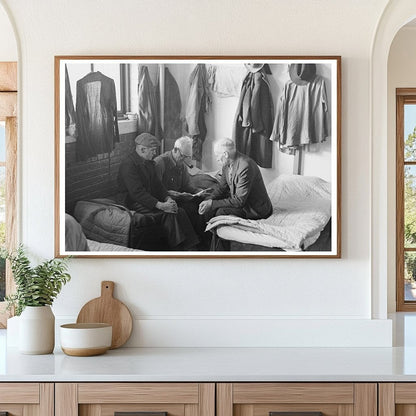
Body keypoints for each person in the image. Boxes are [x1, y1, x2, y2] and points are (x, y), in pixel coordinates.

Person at [118, 132, 199, 250]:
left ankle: (192, 246)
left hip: (149, 198)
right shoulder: (129, 165)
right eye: (153, 150)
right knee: (169, 214)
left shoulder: (148, 162)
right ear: (142, 149)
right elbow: (137, 193)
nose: (155, 153)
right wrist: (160, 205)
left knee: (179, 210)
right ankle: (179, 250)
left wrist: (168, 199)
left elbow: (158, 185)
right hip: (134, 201)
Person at [154, 136, 211, 245]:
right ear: (175, 150)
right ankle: (191, 245)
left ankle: (205, 240)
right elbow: (155, 189)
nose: (185, 160)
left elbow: (187, 186)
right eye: (183, 156)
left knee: (199, 204)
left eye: (188, 157)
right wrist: (170, 194)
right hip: (164, 199)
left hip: (179, 197)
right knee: (184, 211)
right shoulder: (160, 163)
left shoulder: (182, 165)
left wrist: (199, 192)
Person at [198, 138, 272, 220]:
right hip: (242, 201)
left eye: (217, 155)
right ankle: (204, 232)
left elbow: (239, 201)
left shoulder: (245, 166)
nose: (217, 159)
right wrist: (208, 199)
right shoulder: (227, 164)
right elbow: (221, 188)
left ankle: (210, 232)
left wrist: (212, 204)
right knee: (207, 205)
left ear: (225, 154)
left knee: (220, 211)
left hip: (255, 208)